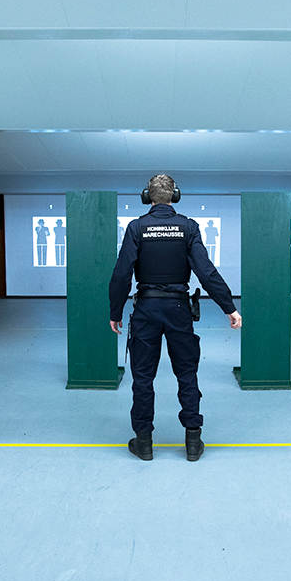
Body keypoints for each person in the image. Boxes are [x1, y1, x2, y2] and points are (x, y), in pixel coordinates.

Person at [109, 174, 241, 462]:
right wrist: (229, 307)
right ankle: (193, 440)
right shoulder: (188, 228)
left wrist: (115, 312)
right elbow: (206, 272)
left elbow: (122, 274)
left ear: (147, 196)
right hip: (179, 309)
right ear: (175, 196)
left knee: (143, 377)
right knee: (187, 373)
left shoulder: (136, 228)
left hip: (146, 309)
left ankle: (144, 442)